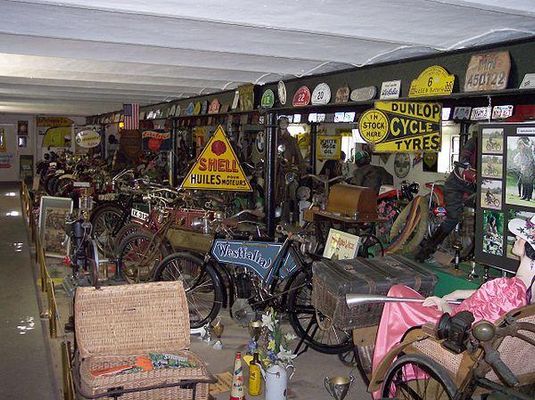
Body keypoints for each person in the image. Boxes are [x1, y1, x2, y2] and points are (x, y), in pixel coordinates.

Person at [372, 215, 535, 397]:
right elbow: (491, 300)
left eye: (522, 237)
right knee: (409, 296)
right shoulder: (521, 289)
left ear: (529, 247)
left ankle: (384, 369)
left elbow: (474, 325)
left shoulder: (509, 288)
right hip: (483, 344)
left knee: (398, 293)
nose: (517, 238)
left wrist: (444, 305)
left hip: (456, 335)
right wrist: (457, 293)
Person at [415, 136, 477, 262]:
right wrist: (470, 172)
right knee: (453, 218)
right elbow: (463, 161)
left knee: (482, 217)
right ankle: (427, 249)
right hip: (455, 186)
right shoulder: (474, 142)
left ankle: (472, 252)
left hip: (474, 188)